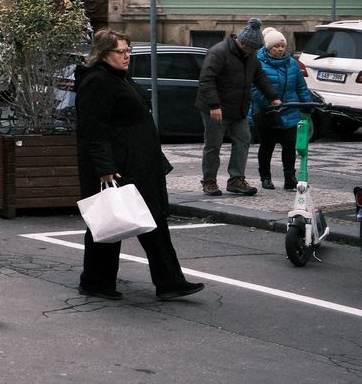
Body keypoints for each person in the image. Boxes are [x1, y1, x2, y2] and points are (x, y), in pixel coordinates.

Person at [76, 29, 204, 301]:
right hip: (119, 165)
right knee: (111, 222)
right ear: (103, 54)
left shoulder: (118, 76)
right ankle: (95, 281)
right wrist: (104, 167)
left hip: (139, 161)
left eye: (128, 51)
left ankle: (170, 282)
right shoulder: (96, 81)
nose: (127, 56)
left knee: (153, 220)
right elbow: (92, 130)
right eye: (120, 52)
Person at [196, 18, 277, 197]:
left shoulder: (250, 56)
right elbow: (206, 80)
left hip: (238, 108)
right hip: (215, 108)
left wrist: (273, 96)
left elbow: (260, 77)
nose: (254, 52)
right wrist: (214, 105)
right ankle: (209, 181)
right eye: (253, 48)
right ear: (243, 43)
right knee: (213, 145)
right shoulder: (219, 52)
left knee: (243, 139)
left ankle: (236, 180)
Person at [249, 27, 312, 191]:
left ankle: (289, 178)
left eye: (282, 46)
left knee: (290, 147)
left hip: (289, 111)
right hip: (267, 113)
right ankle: (265, 177)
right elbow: (254, 89)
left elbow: (301, 86)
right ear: (269, 47)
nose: (280, 49)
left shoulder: (292, 63)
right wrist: (269, 103)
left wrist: (307, 104)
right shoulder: (258, 63)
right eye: (276, 46)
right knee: (266, 147)